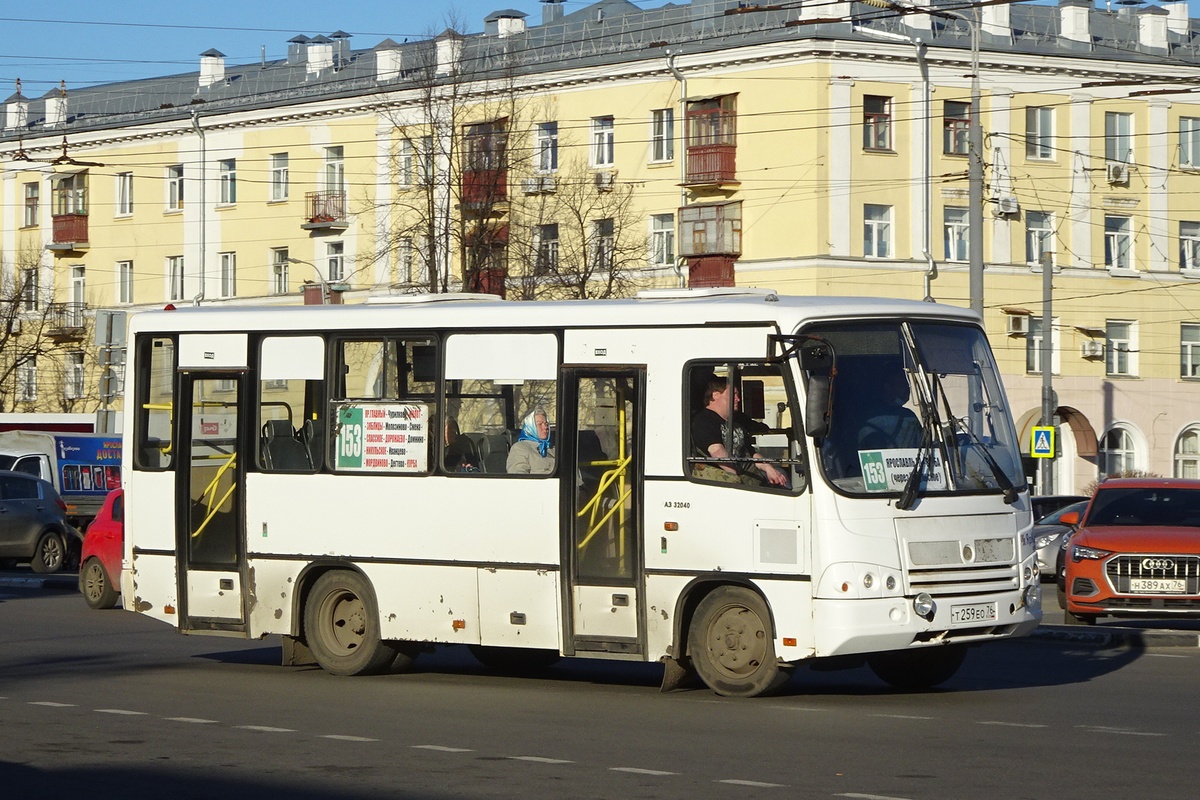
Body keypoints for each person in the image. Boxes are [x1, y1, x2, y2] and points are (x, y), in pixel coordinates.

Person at [691, 375, 788, 487]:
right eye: (733, 394)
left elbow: (752, 453)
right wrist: (739, 481)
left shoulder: (736, 421)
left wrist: (768, 467)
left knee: (780, 475)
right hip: (731, 481)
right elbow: (717, 452)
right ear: (715, 395)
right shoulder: (704, 421)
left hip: (750, 473)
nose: (738, 399)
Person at [507, 408, 555, 475]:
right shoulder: (520, 448)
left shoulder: (552, 447)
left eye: (546, 424)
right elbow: (518, 476)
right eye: (540, 424)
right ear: (530, 427)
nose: (545, 427)